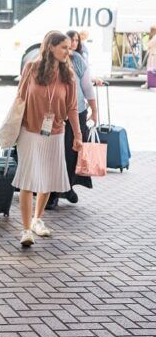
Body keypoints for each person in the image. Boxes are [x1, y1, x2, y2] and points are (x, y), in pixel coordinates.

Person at [12, 31, 82, 248]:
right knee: (27, 180)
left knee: (47, 177)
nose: (68, 52)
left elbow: (72, 108)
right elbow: (20, 98)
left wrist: (78, 135)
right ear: (51, 46)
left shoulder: (68, 75)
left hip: (56, 132)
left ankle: (37, 219)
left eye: (69, 48)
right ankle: (26, 229)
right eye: (64, 47)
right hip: (29, 131)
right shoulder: (31, 68)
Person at [52, 30, 99, 206]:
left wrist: (94, 110)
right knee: (56, 153)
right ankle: (52, 193)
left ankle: (67, 187)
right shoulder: (48, 63)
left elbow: (87, 87)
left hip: (77, 112)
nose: (69, 48)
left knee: (72, 154)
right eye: (64, 45)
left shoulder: (77, 59)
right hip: (54, 115)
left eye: (72, 43)